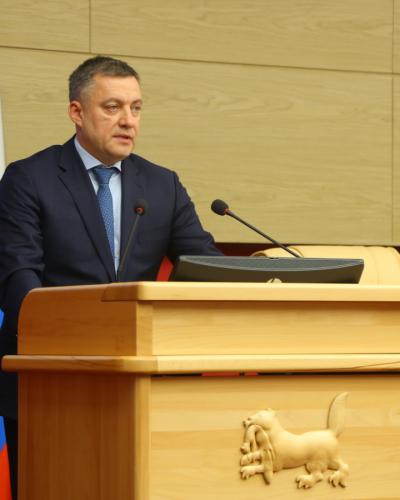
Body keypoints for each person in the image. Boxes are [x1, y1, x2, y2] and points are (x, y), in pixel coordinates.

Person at [0, 55, 221, 498]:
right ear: (77, 112)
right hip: (50, 381)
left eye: (136, 108)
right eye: (112, 107)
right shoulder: (29, 178)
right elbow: (18, 278)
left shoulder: (162, 184)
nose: (128, 121)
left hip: (141, 384)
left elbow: (205, 266)